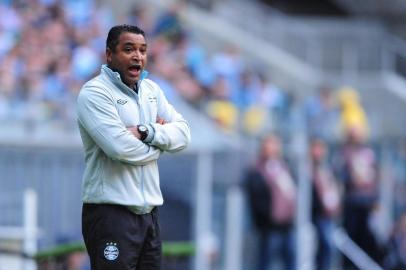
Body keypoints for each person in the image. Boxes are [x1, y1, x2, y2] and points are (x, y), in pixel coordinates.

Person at [76, 24, 191, 270]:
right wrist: (161, 143)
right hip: (110, 214)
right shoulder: (95, 93)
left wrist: (145, 131)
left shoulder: (152, 90)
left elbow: (183, 134)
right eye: (129, 49)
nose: (137, 56)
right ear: (109, 54)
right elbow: (120, 148)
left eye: (142, 50)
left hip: (149, 215)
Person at [244, 134, 296, 270]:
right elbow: (257, 198)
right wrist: (267, 218)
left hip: (286, 225)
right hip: (269, 227)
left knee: (289, 260)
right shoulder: (257, 169)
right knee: (265, 261)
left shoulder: (283, 168)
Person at [309, 138, 341, 270]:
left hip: (326, 214)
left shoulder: (325, 168)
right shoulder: (306, 168)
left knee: (327, 247)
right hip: (314, 213)